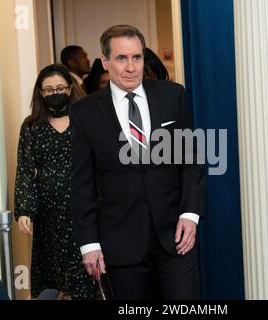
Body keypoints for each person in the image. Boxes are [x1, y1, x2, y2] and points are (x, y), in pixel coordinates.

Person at [69, 25, 206, 300]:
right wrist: (89, 245)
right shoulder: (84, 112)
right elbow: (81, 185)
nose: (131, 67)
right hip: (120, 245)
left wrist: (190, 215)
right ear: (105, 61)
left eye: (137, 57)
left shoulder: (172, 96)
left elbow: (191, 160)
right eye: (121, 58)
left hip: (175, 238)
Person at [14, 64, 95, 300]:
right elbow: (26, 170)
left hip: (84, 209)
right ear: (40, 93)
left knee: (86, 277)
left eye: (59, 87)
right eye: (48, 90)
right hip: (49, 214)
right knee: (52, 278)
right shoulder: (31, 126)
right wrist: (24, 210)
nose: (54, 93)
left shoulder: (86, 120)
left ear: (70, 88)